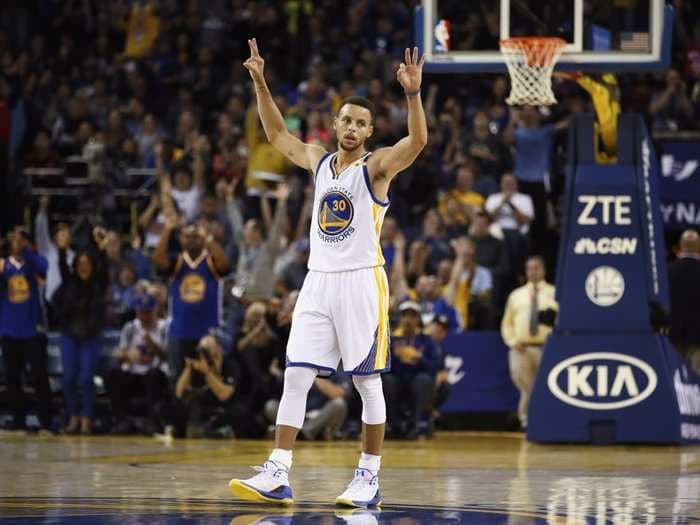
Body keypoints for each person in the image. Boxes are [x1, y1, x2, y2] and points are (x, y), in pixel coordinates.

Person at [229, 39, 427, 508]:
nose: (353, 128)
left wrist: (413, 96)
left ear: (370, 131)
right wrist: (260, 84)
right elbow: (277, 136)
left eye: (362, 123)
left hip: (361, 280)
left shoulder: (375, 169)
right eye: (347, 120)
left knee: (366, 381)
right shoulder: (319, 161)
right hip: (317, 281)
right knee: (296, 375)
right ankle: (277, 471)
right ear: (335, 124)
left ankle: (369, 475)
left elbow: (416, 142)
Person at [152, 218, 229, 383]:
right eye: (187, 236)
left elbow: (224, 264)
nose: (192, 240)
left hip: (207, 333)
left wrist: (208, 238)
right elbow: (158, 260)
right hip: (179, 332)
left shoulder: (210, 260)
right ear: (180, 239)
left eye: (195, 236)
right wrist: (167, 229)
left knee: (210, 380)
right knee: (177, 381)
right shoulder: (178, 261)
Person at [53, 227, 111, 435]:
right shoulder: (69, 282)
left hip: (91, 337)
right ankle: (73, 416)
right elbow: (61, 266)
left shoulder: (99, 283)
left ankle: (87, 418)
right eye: (80, 263)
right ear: (75, 266)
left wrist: (102, 249)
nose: (84, 267)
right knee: (68, 378)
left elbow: (104, 269)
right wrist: (62, 249)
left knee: (85, 379)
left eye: (87, 263)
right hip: (70, 336)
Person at [0, 227, 52, 434]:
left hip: (33, 330)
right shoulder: (3, 265)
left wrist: (28, 249)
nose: (16, 242)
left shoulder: (32, 262)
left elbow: (44, 268)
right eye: (13, 238)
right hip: (9, 329)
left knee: (40, 376)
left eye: (20, 238)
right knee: (12, 377)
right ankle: (18, 420)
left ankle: (46, 421)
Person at [500, 256, 557, 430]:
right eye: (529, 268)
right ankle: (529, 419)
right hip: (521, 347)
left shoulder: (555, 292)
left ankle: (530, 419)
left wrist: (556, 341)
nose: (533, 271)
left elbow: (562, 321)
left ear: (544, 270)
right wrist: (512, 341)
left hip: (547, 346)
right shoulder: (516, 295)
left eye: (536, 268)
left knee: (547, 383)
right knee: (525, 383)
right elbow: (507, 323)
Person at [107, 292, 169, 434]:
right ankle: (122, 421)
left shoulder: (164, 327)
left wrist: (152, 345)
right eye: (140, 312)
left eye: (147, 312)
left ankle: (153, 422)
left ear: (155, 310)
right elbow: (117, 353)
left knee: (153, 375)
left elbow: (169, 356)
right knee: (113, 374)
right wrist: (127, 354)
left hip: (155, 374)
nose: (144, 316)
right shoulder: (131, 328)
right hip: (134, 373)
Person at [383, 301, 441, 439]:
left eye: (413, 316)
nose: (408, 320)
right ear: (400, 318)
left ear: (418, 319)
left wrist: (419, 357)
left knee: (424, 380)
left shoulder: (426, 340)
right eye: (405, 316)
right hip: (397, 379)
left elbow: (434, 367)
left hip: (417, 379)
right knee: (387, 381)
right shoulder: (391, 340)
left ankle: (419, 423)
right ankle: (392, 424)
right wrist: (395, 357)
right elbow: (382, 367)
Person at [668, 229, 700, 373]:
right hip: (698, 340)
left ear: (681, 247)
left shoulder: (668, 271)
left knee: (675, 382)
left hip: (673, 337)